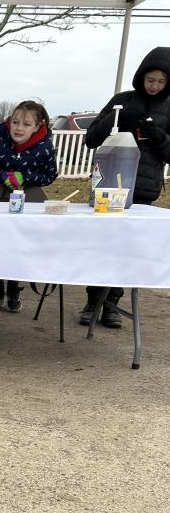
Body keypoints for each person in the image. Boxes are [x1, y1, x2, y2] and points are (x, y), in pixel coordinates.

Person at [82, 46, 170, 329]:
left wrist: (156, 135)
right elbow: (91, 138)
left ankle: (112, 303)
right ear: (141, 77)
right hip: (108, 182)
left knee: (126, 247)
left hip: (143, 187)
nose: (154, 86)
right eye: (150, 80)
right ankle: (92, 300)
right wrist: (116, 120)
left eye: (161, 81)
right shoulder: (123, 100)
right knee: (101, 243)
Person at [0, 100, 58, 313]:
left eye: (26, 124)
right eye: (15, 122)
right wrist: (1, 175)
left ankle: (14, 289)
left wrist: (25, 177)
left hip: (27, 194)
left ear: (37, 126)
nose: (19, 128)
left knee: (20, 242)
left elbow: (50, 174)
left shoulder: (44, 147)